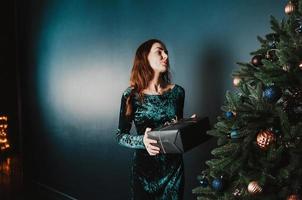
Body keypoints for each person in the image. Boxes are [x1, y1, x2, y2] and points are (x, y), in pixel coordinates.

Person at [116, 39, 186, 199]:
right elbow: (119, 135)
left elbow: (175, 129)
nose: (165, 55)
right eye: (159, 51)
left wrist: (188, 125)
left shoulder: (178, 92)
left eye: (166, 52)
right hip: (144, 172)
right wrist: (142, 141)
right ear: (145, 58)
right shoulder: (131, 95)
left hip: (173, 170)